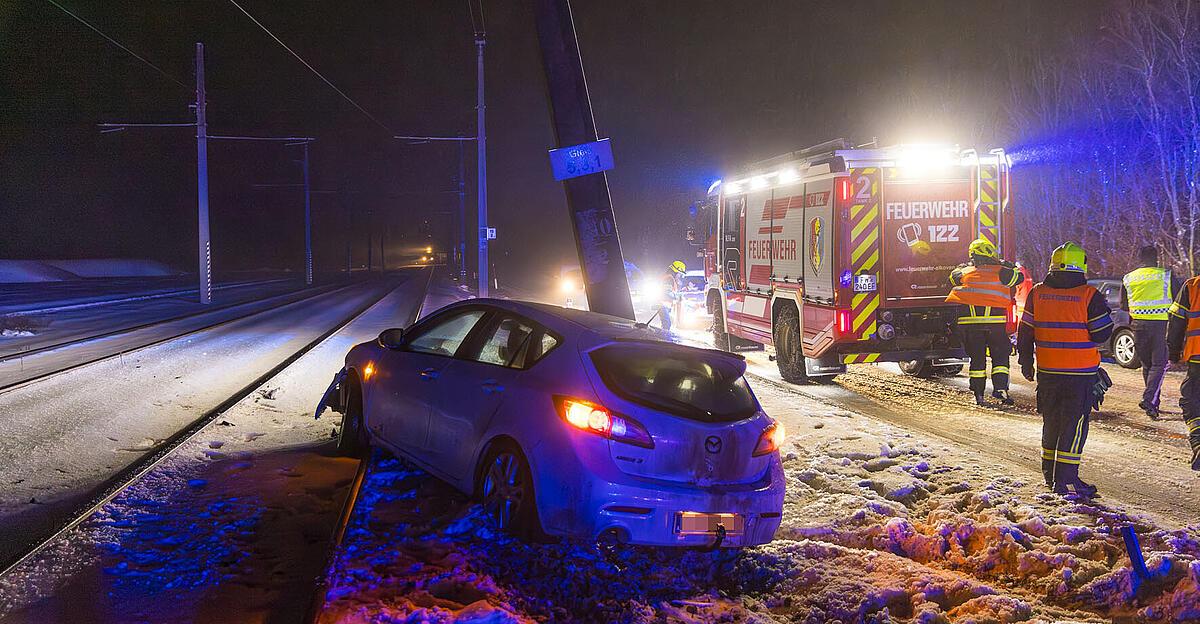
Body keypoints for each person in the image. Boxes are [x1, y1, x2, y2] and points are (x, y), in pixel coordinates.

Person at [1017, 242, 1113, 497]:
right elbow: (1102, 334)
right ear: (1080, 266)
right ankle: (1068, 481)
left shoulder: (1037, 293)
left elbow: (1024, 333)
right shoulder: (1089, 295)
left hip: (1048, 373)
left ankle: (1050, 475)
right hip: (1079, 376)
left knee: (1052, 422)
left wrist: (1026, 362)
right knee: (1074, 425)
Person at [946, 238, 1024, 406]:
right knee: (1000, 357)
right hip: (995, 324)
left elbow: (952, 278)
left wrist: (963, 266)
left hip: (970, 325)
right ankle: (1001, 389)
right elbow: (1019, 278)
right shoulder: (1002, 271)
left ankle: (978, 394)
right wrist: (1008, 265)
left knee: (977, 360)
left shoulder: (964, 272)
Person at [1121, 245, 1181, 420]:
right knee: (1160, 365)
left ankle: (1153, 404)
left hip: (1138, 325)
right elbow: (1178, 300)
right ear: (1156, 258)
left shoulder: (1129, 278)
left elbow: (1124, 305)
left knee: (1148, 365)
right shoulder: (1165, 275)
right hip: (1161, 325)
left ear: (1140, 258)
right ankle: (1149, 399)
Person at [1167, 274, 1200, 470]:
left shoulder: (1193, 285)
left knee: (1193, 399)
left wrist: (1174, 349)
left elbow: (1177, 319)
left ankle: (1198, 441)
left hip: (1198, 353)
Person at [658, 260, 686, 331]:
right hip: (662, 304)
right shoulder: (668, 279)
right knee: (666, 324)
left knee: (667, 323)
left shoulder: (669, 278)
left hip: (664, 304)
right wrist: (678, 297)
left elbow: (670, 291)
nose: (680, 276)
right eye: (680, 274)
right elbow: (667, 294)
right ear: (676, 271)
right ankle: (664, 339)